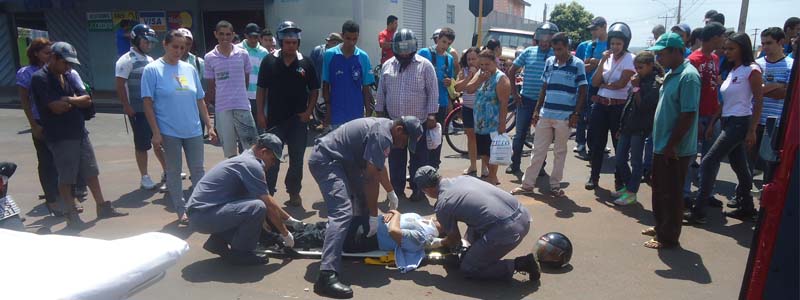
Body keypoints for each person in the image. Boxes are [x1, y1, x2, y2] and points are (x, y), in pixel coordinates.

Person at [308, 116, 423, 299]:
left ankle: (352, 244)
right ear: (400, 130)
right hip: (327, 160)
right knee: (342, 212)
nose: (402, 147)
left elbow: (378, 166)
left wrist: (391, 191)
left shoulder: (386, 131)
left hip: (346, 161)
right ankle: (326, 275)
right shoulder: (383, 135)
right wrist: (374, 217)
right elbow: (371, 179)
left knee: (362, 201)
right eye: (405, 141)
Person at [31, 42, 128, 226]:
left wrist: (68, 99)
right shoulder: (40, 78)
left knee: (90, 170)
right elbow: (55, 107)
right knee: (67, 175)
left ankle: (102, 206)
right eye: (65, 63)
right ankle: (71, 212)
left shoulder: (67, 75)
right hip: (60, 135)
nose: (68, 66)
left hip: (79, 131)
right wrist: (74, 102)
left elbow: (86, 99)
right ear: (54, 58)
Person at [413, 166, 540, 283]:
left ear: (428, 189)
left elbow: (454, 239)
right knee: (475, 220)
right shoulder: (463, 178)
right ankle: (474, 251)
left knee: (469, 268)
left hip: (508, 230)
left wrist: (438, 243)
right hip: (524, 216)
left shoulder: (443, 204)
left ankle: (522, 264)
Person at [686, 33, 763, 224]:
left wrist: (752, 129)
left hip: (740, 122)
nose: (726, 52)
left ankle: (699, 212)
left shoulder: (752, 70)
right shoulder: (733, 70)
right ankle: (747, 208)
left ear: (743, 49)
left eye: (731, 49)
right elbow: (724, 101)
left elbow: (759, 101)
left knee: (708, 161)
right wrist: (713, 123)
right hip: (728, 121)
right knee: (740, 168)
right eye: (726, 48)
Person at [142, 30, 216, 225]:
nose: (179, 51)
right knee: (174, 171)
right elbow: (148, 103)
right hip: (169, 131)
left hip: (192, 129)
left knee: (198, 170)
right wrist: (156, 132)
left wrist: (209, 125)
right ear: (165, 45)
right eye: (175, 46)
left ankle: (199, 207)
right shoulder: (152, 70)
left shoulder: (189, 69)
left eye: (182, 48)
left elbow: (199, 99)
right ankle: (181, 209)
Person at [186, 133, 293, 266]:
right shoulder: (252, 165)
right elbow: (267, 204)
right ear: (263, 152)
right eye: (272, 159)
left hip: (203, 213)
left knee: (249, 202)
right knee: (257, 207)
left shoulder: (245, 159)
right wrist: (285, 233)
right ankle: (242, 253)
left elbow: (265, 200)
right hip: (202, 216)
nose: (273, 164)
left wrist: (289, 220)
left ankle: (217, 242)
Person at [511, 33, 587, 198]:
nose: (557, 53)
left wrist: (576, 113)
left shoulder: (577, 64)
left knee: (560, 152)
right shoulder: (550, 62)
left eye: (560, 49)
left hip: (565, 116)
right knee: (538, 150)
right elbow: (544, 87)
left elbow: (583, 90)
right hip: (546, 114)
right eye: (555, 49)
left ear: (567, 47)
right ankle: (527, 185)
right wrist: (537, 110)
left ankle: (555, 186)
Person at [17, 38, 87, 215]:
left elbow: (78, 96)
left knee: (67, 163)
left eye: (51, 53)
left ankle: (70, 198)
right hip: (41, 121)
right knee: (47, 162)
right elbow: (25, 102)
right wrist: (33, 124)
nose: (49, 56)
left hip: (62, 122)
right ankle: (52, 199)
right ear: (35, 54)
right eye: (46, 53)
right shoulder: (29, 73)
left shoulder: (62, 71)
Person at [642, 32, 700, 249]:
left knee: (672, 194)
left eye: (662, 54)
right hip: (662, 144)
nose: (658, 59)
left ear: (677, 51)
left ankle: (668, 237)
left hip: (675, 148)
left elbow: (688, 114)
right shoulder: (672, 73)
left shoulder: (689, 76)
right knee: (659, 189)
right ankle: (660, 227)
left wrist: (671, 145)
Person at [256, 21, 320, 207]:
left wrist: (308, 111)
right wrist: (260, 113)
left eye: (294, 42)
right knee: (271, 157)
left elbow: (314, 90)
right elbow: (261, 89)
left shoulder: (306, 63)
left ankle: (294, 192)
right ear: (281, 42)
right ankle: (268, 194)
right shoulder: (269, 61)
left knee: (296, 159)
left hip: (298, 121)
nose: (290, 45)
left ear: (298, 43)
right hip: (274, 120)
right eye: (287, 42)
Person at [375, 28, 439, 203]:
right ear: (394, 47)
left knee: (419, 159)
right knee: (396, 158)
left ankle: (419, 190)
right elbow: (381, 91)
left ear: (415, 46)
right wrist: (379, 113)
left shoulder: (425, 65)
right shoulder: (388, 65)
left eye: (408, 47)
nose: (404, 52)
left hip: (419, 122)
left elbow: (433, 91)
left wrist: (433, 114)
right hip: (395, 124)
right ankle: (396, 189)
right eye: (400, 47)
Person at [115, 24, 166, 191]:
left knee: (159, 141)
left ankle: (167, 171)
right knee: (142, 144)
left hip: (153, 109)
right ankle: (144, 176)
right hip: (137, 110)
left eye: (151, 42)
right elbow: (120, 85)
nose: (149, 45)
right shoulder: (125, 60)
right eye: (146, 41)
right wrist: (127, 106)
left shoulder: (150, 60)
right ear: (136, 40)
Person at [587, 22, 635, 191]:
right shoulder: (606, 58)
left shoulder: (630, 59)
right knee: (597, 144)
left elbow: (621, 84)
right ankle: (594, 177)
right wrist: (602, 62)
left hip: (618, 108)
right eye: (613, 43)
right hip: (600, 105)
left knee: (618, 145)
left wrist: (604, 85)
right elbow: (594, 81)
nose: (615, 47)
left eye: (619, 43)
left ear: (625, 44)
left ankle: (619, 180)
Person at [682, 22, 726, 207]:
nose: (724, 40)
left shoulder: (715, 58)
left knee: (711, 157)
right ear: (715, 37)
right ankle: (684, 194)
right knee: (690, 156)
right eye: (722, 36)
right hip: (697, 116)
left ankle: (705, 193)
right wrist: (696, 119)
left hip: (713, 115)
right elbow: (690, 92)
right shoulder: (693, 59)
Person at [506, 23, 557, 175]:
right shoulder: (528, 52)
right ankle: (514, 164)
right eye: (541, 38)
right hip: (525, 100)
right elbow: (512, 70)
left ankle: (540, 166)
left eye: (547, 39)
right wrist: (515, 93)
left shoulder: (556, 55)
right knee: (520, 134)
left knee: (543, 136)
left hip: (546, 103)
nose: (544, 42)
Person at [612, 52, 662, 205]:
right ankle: (629, 187)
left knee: (636, 162)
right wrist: (621, 126)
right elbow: (629, 106)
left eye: (640, 67)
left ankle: (632, 192)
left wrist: (636, 88)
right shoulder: (638, 80)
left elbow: (643, 107)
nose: (637, 71)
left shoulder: (655, 83)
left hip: (640, 128)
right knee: (620, 159)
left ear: (650, 66)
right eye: (635, 67)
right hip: (628, 126)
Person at [204, 21, 257, 158]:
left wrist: (239, 95)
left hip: (242, 105)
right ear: (215, 34)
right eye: (221, 34)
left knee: (250, 149)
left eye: (228, 34)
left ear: (233, 35)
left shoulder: (243, 54)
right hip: (222, 109)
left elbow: (246, 80)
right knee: (230, 152)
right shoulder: (209, 57)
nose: (225, 37)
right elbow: (211, 87)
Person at [751, 27, 793, 184]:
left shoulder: (791, 65)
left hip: (776, 123)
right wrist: (777, 85)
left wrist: (762, 89)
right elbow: (753, 90)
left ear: (781, 42)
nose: (765, 47)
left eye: (769, 43)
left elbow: (785, 94)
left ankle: (766, 200)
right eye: (763, 43)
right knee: (749, 162)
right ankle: (742, 196)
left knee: (770, 164)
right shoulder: (757, 64)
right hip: (755, 120)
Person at [464, 49, 510, 185]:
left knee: (492, 152)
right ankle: (490, 176)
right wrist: (479, 79)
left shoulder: (501, 78)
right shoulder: (480, 74)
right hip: (479, 122)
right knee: (483, 151)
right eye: (482, 64)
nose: (484, 67)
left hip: (493, 123)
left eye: (487, 64)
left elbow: (503, 104)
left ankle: (493, 177)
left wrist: (502, 124)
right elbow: (469, 89)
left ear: (494, 62)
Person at [322, 20, 375, 129]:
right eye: (348, 38)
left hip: (356, 115)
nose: (351, 42)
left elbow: (366, 89)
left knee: (356, 146)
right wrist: (328, 110)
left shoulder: (363, 57)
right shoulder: (329, 55)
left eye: (355, 39)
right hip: (336, 114)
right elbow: (325, 85)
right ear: (342, 36)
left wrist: (368, 114)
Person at [418, 27, 456, 170]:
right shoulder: (424, 53)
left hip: (441, 101)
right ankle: (419, 168)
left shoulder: (449, 59)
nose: (445, 46)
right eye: (443, 42)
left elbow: (450, 78)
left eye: (448, 44)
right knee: (421, 137)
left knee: (436, 137)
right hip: (423, 102)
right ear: (438, 39)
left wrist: (448, 81)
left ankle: (434, 168)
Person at [577, 17, 609, 158]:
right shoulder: (591, 45)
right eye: (592, 29)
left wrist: (596, 62)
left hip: (607, 87)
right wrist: (598, 62)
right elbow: (585, 66)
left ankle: (598, 145)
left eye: (595, 29)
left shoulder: (612, 43)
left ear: (604, 27)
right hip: (591, 86)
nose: (593, 32)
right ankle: (585, 145)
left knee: (601, 120)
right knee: (587, 117)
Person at [454, 47, 483, 177]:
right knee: (470, 137)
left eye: (474, 59)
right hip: (467, 108)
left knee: (483, 138)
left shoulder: (485, 71)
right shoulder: (463, 71)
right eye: (469, 59)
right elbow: (457, 88)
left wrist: (477, 76)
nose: (471, 62)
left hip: (482, 109)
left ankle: (485, 167)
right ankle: (473, 165)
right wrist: (469, 77)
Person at [237, 23, 269, 128]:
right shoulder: (237, 50)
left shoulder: (264, 52)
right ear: (245, 36)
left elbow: (266, 76)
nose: (254, 39)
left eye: (256, 37)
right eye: (251, 37)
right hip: (242, 96)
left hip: (259, 96)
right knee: (244, 131)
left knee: (260, 129)